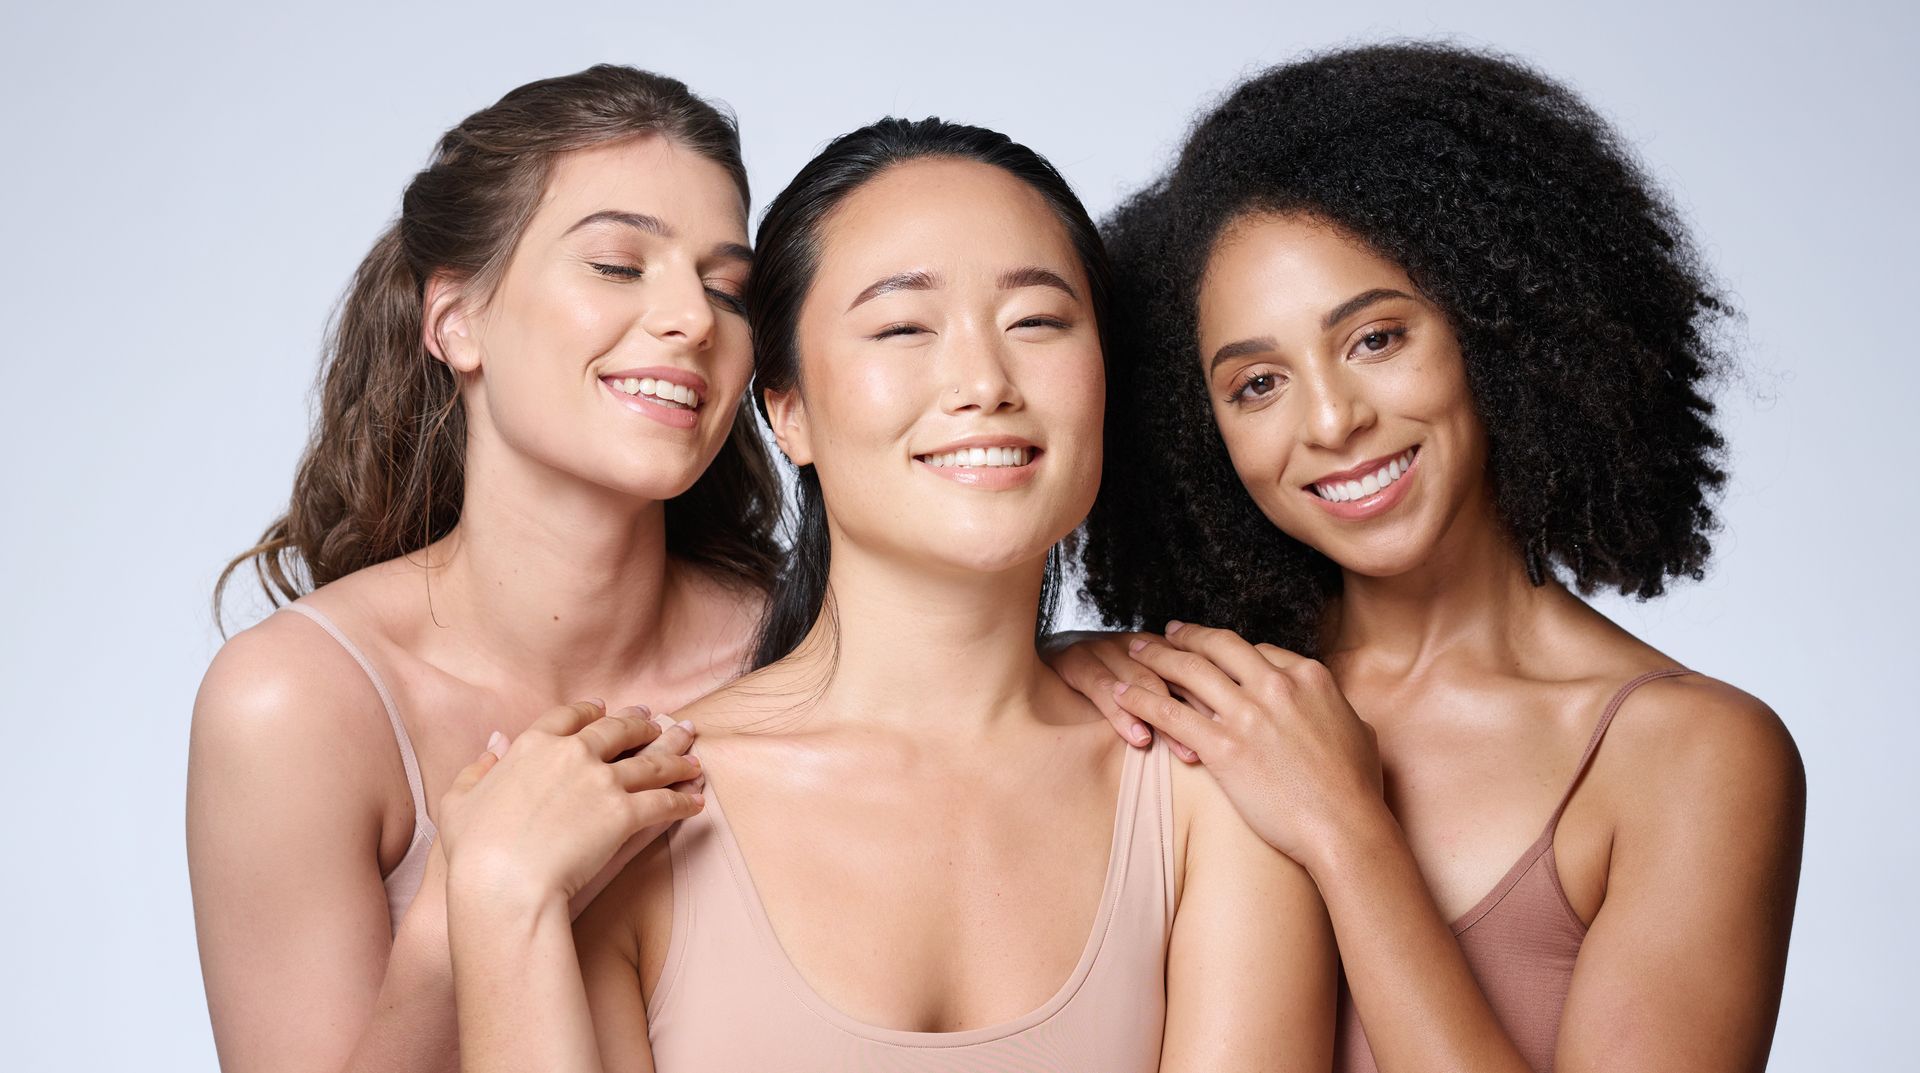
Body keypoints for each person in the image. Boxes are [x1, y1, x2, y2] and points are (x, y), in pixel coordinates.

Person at [441, 117, 1338, 1072]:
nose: (984, 382)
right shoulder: (627, 821)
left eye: (1036, 321)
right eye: (903, 327)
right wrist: (499, 901)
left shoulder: (1221, 777)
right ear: (788, 411)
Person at [1070, 43, 1806, 1072]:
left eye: (1375, 338)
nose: (1332, 421)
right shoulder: (1208, 704)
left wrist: (1346, 828)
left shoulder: (1691, 757)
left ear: (1497, 330)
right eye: (1258, 384)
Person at [187, 65, 776, 1073]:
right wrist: (472, 907)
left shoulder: (810, 643)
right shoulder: (296, 704)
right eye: (618, 265)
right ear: (456, 320)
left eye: (727, 287)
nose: (694, 317)